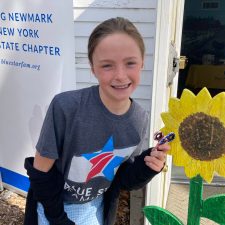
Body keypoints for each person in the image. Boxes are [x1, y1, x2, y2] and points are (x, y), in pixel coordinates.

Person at [24, 17, 170, 225]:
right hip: (52, 209)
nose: (120, 75)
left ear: (142, 63)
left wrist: (148, 166)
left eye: (130, 63)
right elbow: (41, 172)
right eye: (107, 66)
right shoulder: (66, 107)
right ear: (93, 68)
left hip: (94, 209)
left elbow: (123, 179)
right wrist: (58, 218)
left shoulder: (139, 119)